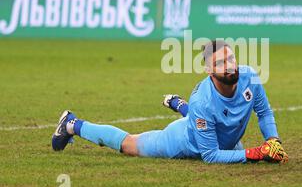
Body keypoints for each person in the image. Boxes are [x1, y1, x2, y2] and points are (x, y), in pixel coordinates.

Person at [51, 41, 289, 164]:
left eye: (231, 58)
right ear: (208, 70)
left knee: (220, 135)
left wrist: (273, 141)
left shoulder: (250, 78)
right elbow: (211, 156)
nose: (229, 65)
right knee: (129, 145)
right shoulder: (203, 102)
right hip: (183, 142)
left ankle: (179, 106)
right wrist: (256, 152)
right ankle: (72, 124)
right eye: (220, 63)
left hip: (215, 133)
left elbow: (264, 112)